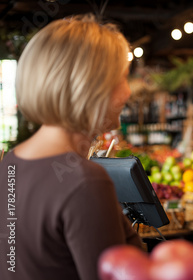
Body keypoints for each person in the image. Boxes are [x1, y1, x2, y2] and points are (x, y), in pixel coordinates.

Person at [0, 14, 141, 280]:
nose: (128, 92)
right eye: (122, 78)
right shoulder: (85, 181)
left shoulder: (10, 165)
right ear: (90, 87)